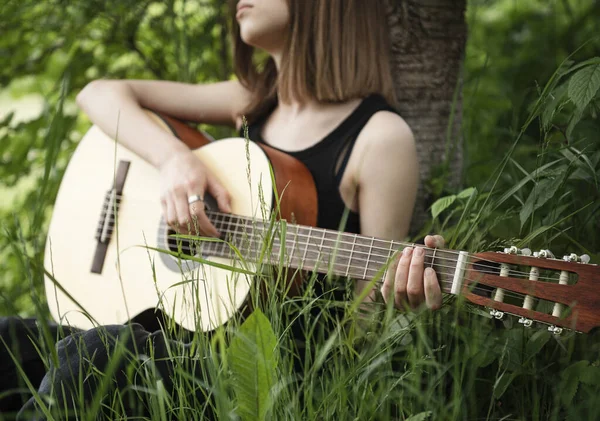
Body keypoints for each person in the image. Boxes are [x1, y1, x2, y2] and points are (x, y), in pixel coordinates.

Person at [0, 0, 444, 418]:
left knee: (99, 355)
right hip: (166, 337)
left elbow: (360, 337)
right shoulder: (251, 101)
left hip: (257, 377)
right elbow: (100, 94)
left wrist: (399, 300)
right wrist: (174, 160)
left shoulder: (379, 137)